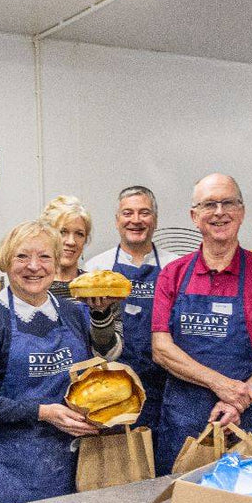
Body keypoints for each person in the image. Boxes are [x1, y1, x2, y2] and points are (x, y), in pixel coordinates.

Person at [0, 221, 120, 503]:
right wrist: (43, 412)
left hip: (67, 463)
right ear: (6, 261)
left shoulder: (72, 313)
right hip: (6, 469)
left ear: (57, 264)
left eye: (44, 257)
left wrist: (102, 316)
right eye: (22, 257)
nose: (34, 266)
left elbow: (103, 363)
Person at [151, 174, 252, 475]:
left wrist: (239, 401)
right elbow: (161, 348)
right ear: (194, 216)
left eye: (228, 203)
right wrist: (222, 385)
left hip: (246, 420)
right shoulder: (172, 275)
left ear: (242, 212)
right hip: (184, 421)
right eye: (209, 205)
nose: (219, 212)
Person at [86, 185, 170, 439]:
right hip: (114, 389)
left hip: (164, 386)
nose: (135, 220)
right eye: (128, 213)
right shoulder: (96, 267)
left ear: (154, 219)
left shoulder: (173, 266)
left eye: (144, 212)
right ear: (117, 220)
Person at [41, 195, 92, 300]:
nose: (71, 242)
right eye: (63, 232)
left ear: (86, 239)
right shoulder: (31, 286)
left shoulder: (95, 286)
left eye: (79, 234)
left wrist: (101, 312)